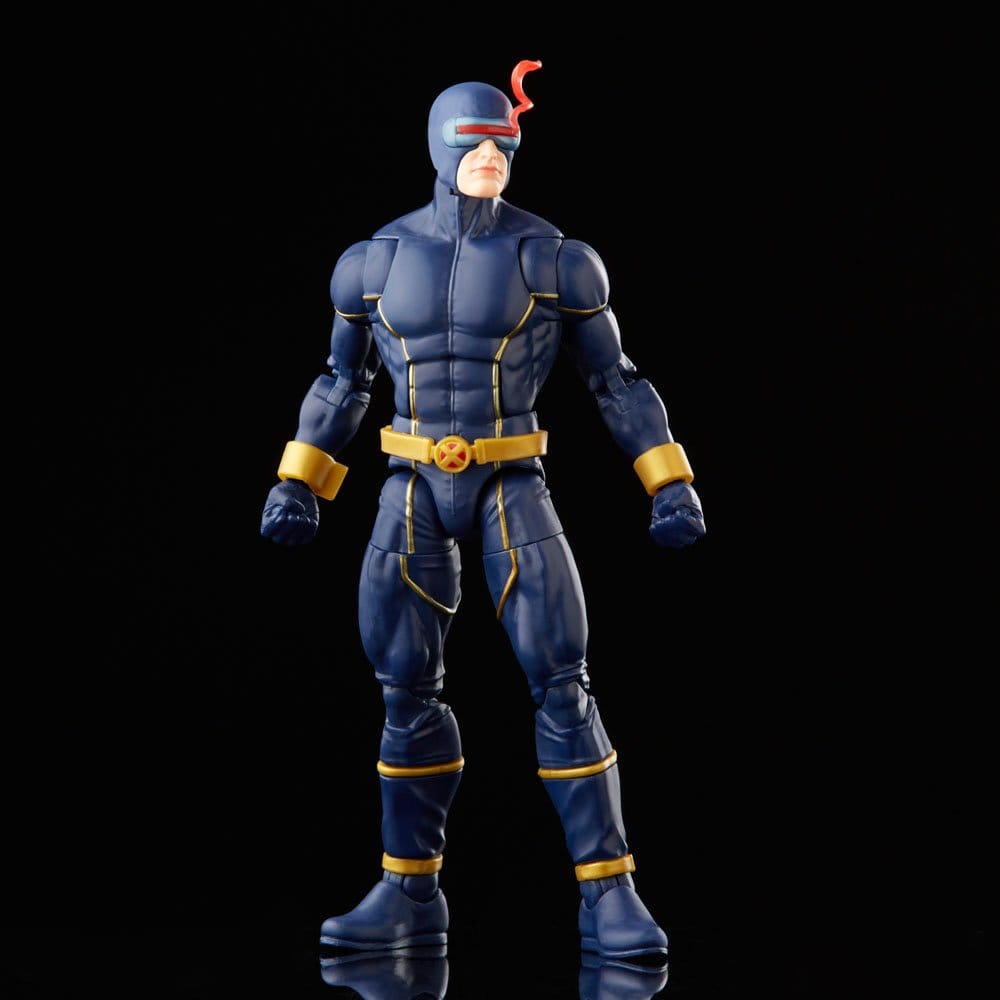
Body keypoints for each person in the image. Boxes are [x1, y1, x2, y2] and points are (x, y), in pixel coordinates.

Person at [260, 60, 706, 963]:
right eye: (474, 143)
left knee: (562, 681)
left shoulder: (554, 256)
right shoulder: (375, 261)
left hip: (511, 482)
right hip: (411, 485)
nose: (491, 157)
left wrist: (668, 481)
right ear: (439, 147)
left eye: (504, 142)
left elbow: (615, 381)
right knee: (403, 691)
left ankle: (609, 895)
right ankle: (406, 893)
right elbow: (343, 382)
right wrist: (298, 481)